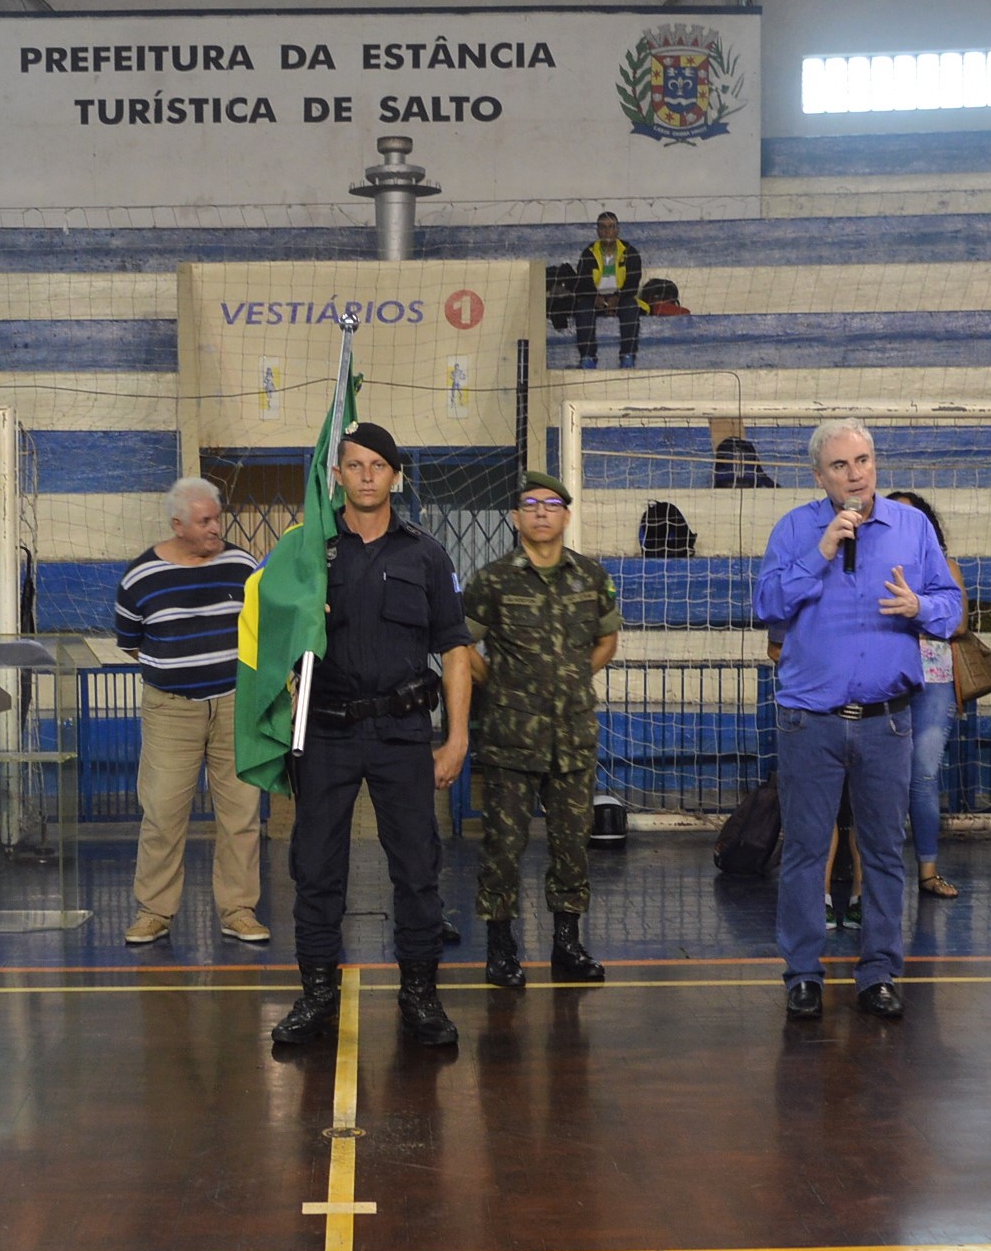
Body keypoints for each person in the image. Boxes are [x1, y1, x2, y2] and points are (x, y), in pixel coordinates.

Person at [266, 422, 475, 1050]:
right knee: (316, 869)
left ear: (395, 476)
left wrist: (457, 737)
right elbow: (268, 637)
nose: (364, 475)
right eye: (352, 464)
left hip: (403, 732)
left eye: (376, 465)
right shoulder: (306, 552)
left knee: (416, 870)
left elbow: (456, 648)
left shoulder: (425, 554)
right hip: (326, 732)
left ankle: (419, 997)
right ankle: (317, 997)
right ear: (337, 475)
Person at [752, 421, 963, 1021]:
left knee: (883, 852)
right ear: (819, 477)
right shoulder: (796, 528)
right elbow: (765, 605)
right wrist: (820, 553)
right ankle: (802, 975)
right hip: (808, 721)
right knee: (804, 852)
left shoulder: (912, 526)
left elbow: (951, 609)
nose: (856, 474)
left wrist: (920, 606)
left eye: (864, 460)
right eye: (841, 465)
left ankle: (878, 973)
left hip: (887, 721)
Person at [464, 468, 620, 988]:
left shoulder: (590, 577)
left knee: (572, 847)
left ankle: (567, 944)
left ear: (566, 516)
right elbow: (462, 647)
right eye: (530, 504)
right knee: (503, 849)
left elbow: (606, 641)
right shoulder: (492, 580)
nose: (540, 513)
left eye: (551, 505)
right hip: (510, 737)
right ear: (516, 517)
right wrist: (502, 681)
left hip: (573, 737)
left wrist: (572, 677)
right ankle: (502, 947)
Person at [115, 478, 267, 949]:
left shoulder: (242, 565)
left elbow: (265, 624)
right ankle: (154, 913)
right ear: (177, 525)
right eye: (204, 521)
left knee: (241, 813)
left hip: (235, 704)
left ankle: (239, 910)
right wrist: (179, 674)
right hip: (171, 710)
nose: (215, 528)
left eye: (217, 518)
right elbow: (131, 643)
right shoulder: (140, 577)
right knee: (162, 812)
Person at [886, 488, 962, 902]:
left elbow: (959, 623)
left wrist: (917, 607)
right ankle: (881, 874)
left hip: (931, 679)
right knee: (880, 779)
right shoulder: (871, 565)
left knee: (924, 776)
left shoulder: (943, 565)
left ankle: (928, 871)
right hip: (884, 678)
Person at [575, 211, 644, 371]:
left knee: (631, 308)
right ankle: (588, 357)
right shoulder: (589, 252)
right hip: (596, 298)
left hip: (621, 297)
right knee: (583, 309)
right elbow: (583, 281)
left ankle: (628, 356)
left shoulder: (629, 252)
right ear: (598, 231)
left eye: (611, 227)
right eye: (603, 227)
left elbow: (633, 281)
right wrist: (594, 297)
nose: (607, 231)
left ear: (617, 230)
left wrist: (617, 297)